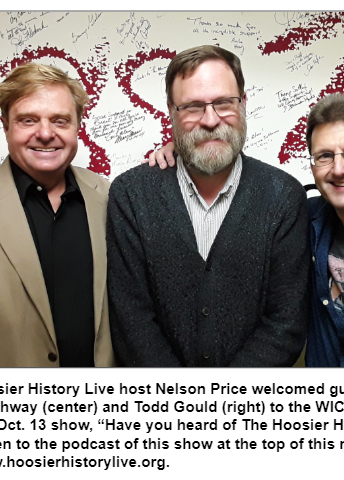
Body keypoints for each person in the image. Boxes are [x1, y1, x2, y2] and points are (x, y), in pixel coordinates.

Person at [148, 92, 344, 367]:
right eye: (325, 156)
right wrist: (190, 154)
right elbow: (243, 199)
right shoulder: (304, 220)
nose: (339, 169)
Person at [107, 45, 310, 367]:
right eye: (192, 107)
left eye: (224, 103)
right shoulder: (131, 195)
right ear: (171, 112)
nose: (211, 120)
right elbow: (131, 319)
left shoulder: (283, 195)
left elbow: (286, 321)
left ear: (243, 103)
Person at [0, 63, 115, 367]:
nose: (45, 133)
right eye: (28, 120)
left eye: (60, 121)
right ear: (5, 126)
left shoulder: (109, 197)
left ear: (77, 127)